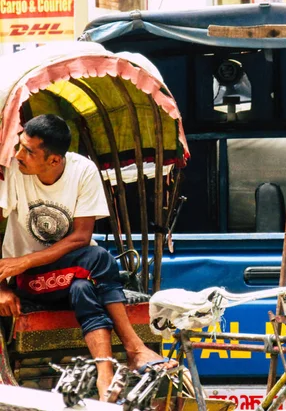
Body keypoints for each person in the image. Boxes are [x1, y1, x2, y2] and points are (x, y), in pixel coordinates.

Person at [0, 115, 176, 400]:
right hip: (31, 281)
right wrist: (3, 285)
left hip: (74, 275)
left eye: (29, 151)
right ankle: (134, 348)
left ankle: (104, 378)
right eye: (19, 146)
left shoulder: (83, 170)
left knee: (84, 286)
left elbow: (81, 236)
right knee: (101, 259)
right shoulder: (14, 171)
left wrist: (25, 261)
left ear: (55, 160)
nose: (19, 155)